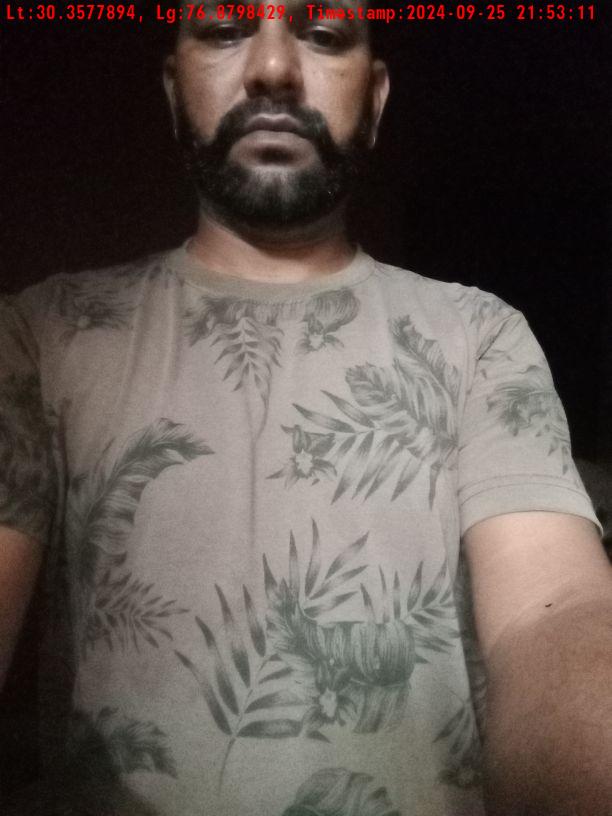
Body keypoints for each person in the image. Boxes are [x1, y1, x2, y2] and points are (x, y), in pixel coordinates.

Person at [1, 3, 611, 814]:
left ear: (376, 98)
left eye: (323, 36)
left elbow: (554, 610)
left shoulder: (479, 334)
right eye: (225, 32)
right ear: (174, 90)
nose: (274, 70)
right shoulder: (38, 337)